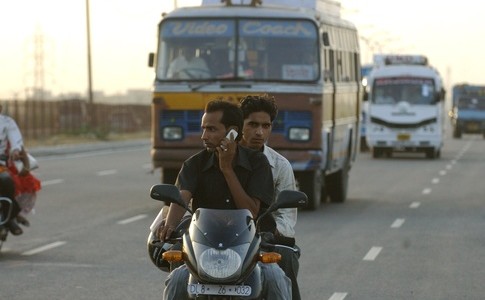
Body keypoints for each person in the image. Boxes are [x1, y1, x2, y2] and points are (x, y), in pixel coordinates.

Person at [152, 99, 292, 300]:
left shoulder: (258, 162)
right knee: (177, 280)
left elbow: (251, 211)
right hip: (204, 247)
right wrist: (169, 224)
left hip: (251, 248)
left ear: (232, 132)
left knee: (275, 277)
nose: (204, 136)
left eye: (211, 129)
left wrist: (227, 169)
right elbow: (181, 197)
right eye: (203, 129)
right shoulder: (195, 163)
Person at [239, 94, 302, 300]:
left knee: (287, 259)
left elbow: (287, 218)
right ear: (240, 125)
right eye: (253, 124)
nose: (259, 132)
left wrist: (271, 231)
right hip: (221, 240)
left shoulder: (280, 165)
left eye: (266, 126)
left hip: (263, 241)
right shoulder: (222, 156)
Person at [0, 104, 33, 236]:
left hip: (0, 165)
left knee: (6, 180)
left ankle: (8, 218)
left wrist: (15, 151)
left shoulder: (7, 122)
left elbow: (16, 141)